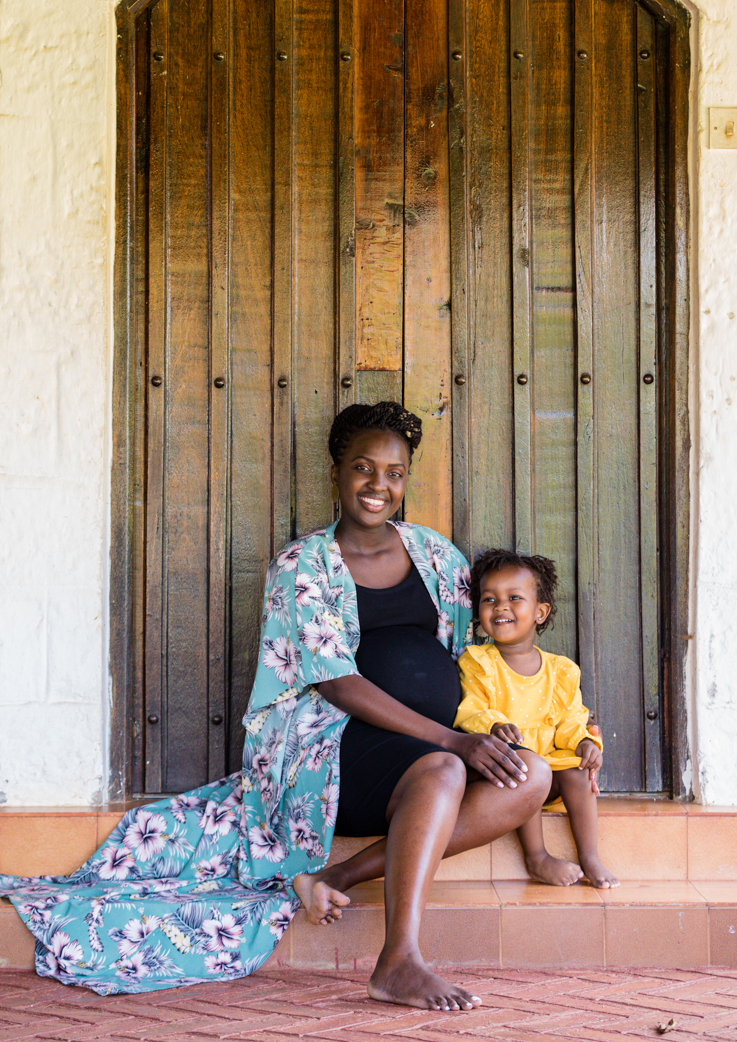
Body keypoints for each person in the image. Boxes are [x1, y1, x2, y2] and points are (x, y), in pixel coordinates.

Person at [0, 402, 552, 1008]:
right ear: (336, 473)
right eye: (364, 468)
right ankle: (399, 961)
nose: (379, 486)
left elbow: (474, 653)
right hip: (335, 751)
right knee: (447, 767)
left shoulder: (439, 557)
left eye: (395, 473)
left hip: (427, 749)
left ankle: (337, 877)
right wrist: (453, 741)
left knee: (534, 775)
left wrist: (500, 724)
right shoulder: (302, 565)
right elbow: (334, 681)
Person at [454, 549, 619, 889]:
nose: (500, 607)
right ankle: (537, 857)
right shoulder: (478, 661)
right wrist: (495, 726)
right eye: (489, 599)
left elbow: (572, 718)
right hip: (506, 775)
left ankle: (589, 855)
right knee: (526, 765)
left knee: (577, 768)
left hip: (551, 774)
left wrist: (586, 742)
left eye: (514, 598)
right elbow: (471, 708)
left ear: (540, 612)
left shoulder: (561, 671)